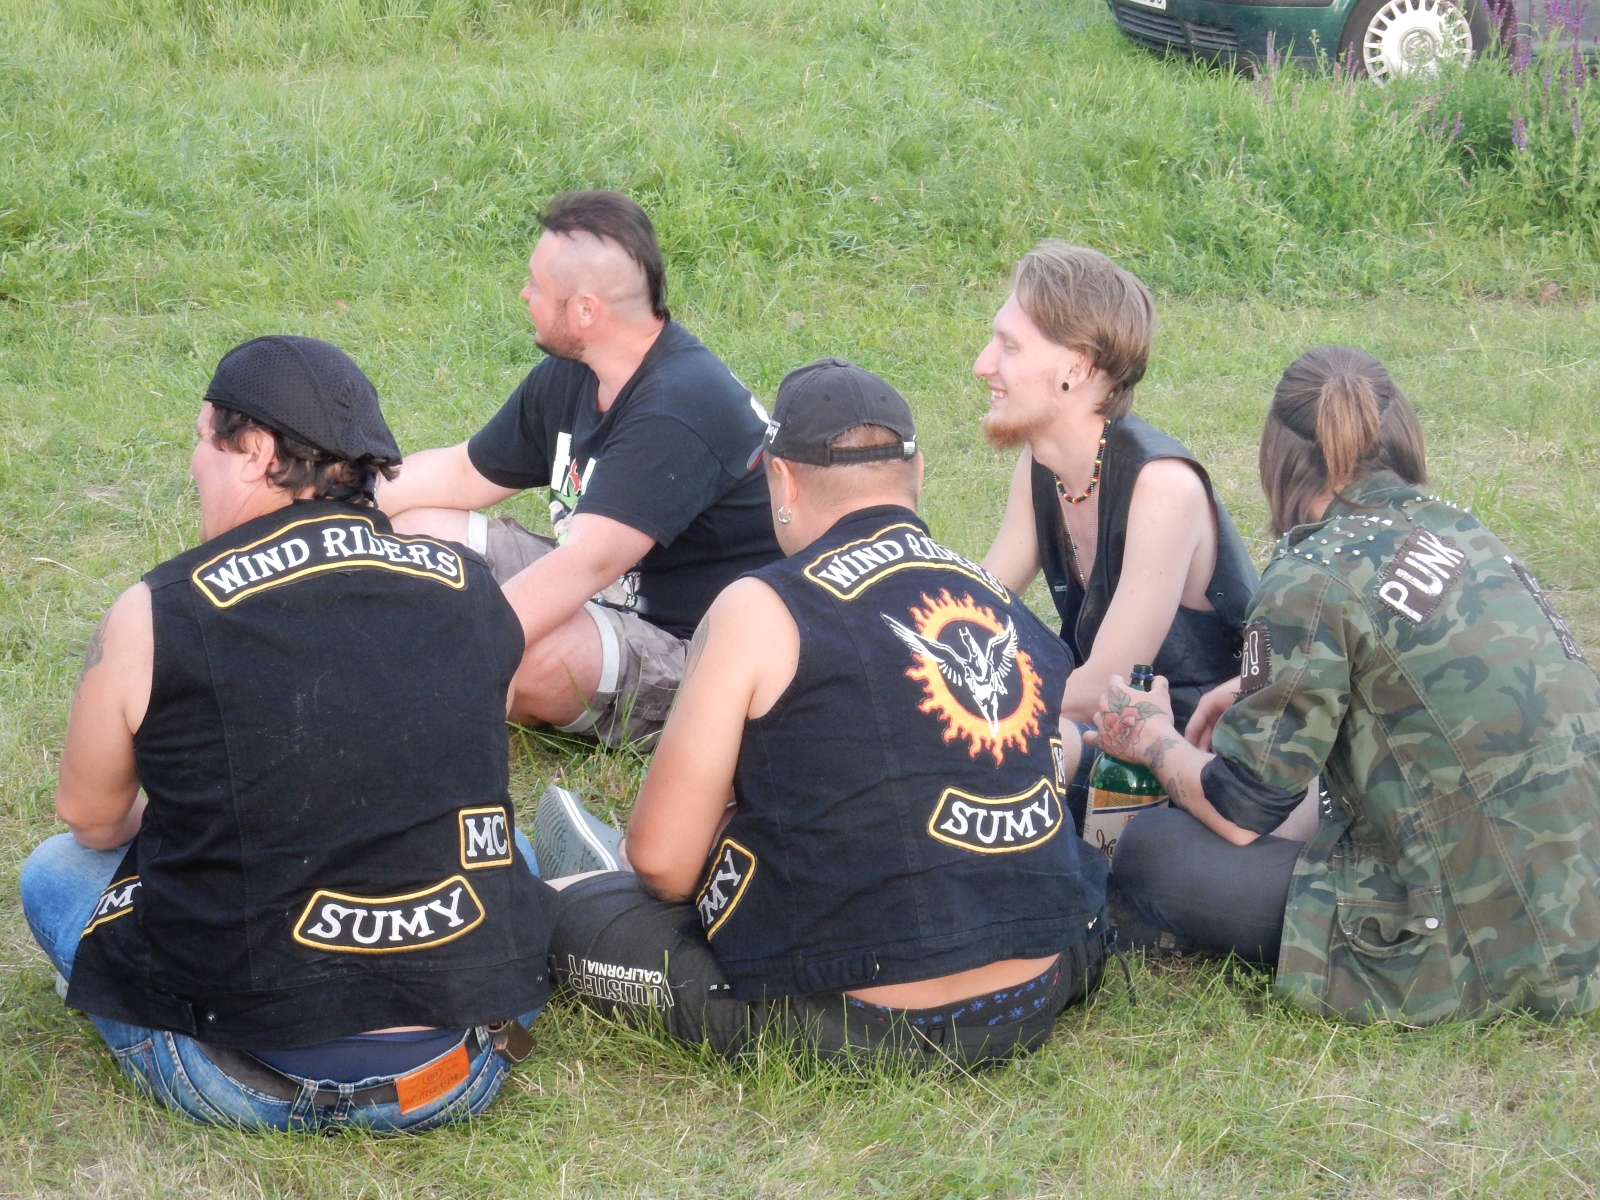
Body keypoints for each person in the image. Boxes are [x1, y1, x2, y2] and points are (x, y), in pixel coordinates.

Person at [19, 336, 556, 1131]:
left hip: (238, 1073)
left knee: (57, 870)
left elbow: (92, 819)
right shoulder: (476, 588)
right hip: (452, 1069)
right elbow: (465, 765)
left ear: (257, 453)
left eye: (203, 439)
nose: (193, 463)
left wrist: (210, 811)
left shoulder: (159, 609)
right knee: (518, 855)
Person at [532, 359, 1108, 1065]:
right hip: (1038, 988)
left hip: (851, 1016)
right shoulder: (1000, 602)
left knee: (552, 911)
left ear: (782, 479)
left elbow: (663, 863)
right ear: (917, 471)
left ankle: (583, 876)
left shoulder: (760, 606)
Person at [1094, 345, 1600, 1024]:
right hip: (1580, 897)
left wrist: (1152, 739)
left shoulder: (1313, 575)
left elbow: (1241, 810)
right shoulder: (1460, 529)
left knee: (1154, 848)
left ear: (1276, 456)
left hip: (1474, 935)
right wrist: (1255, 688)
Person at [379, 190, 781, 748]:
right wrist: (326, 507)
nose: (524, 294)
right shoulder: (580, 370)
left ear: (585, 310)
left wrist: (456, 649)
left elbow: (586, 563)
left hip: (695, 651)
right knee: (410, 534)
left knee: (526, 654)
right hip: (605, 594)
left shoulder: (678, 405)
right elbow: (461, 472)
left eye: (536, 285)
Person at [975, 241, 1259, 834]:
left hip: (1201, 767)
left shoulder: (1162, 486)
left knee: (1019, 747)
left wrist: (968, 711)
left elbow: (1106, 685)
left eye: (1009, 346)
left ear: (1076, 368)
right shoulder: (1042, 465)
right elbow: (978, 606)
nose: (983, 364)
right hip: (1111, 743)